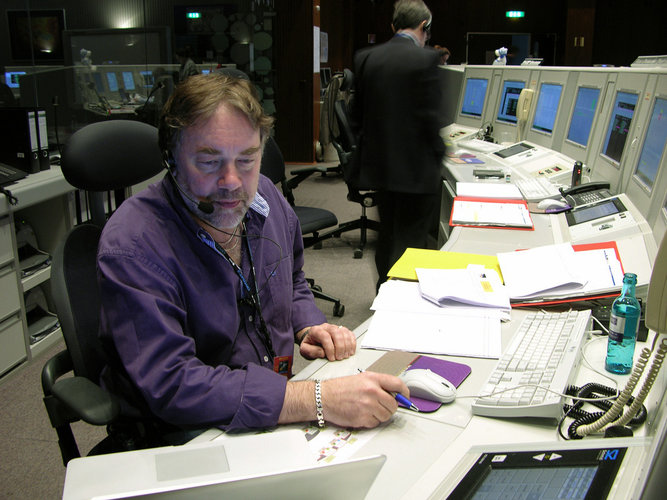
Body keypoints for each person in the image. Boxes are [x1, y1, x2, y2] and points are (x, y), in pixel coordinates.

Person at [97, 73, 408, 444]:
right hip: (189, 432)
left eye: (247, 159)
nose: (232, 182)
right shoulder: (133, 245)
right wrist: (316, 399)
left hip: (272, 406)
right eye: (209, 162)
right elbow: (174, 384)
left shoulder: (264, 198)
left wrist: (307, 325)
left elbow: (291, 277)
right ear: (171, 159)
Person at [351, 0, 446, 289]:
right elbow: (432, 121)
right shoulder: (427, 59)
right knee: (414, 241)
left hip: (380, 169)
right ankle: (405, 299)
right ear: (424, 27)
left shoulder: (366, 57)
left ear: (394, 26)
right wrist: (443, 154)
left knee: (388, 235)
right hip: (417, 173)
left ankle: (384, 290)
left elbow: (357, 117)